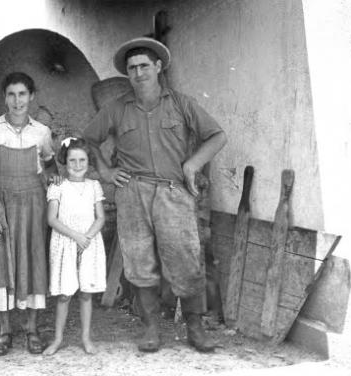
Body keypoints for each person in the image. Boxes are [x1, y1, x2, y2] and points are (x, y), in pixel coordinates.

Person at [84, 37, 227, 353]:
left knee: (186, 259)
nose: (138, 73)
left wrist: (193, 164)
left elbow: (217, 136)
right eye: (132, 68)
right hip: (132, 193)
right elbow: (89, 139)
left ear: (158, 66)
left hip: (173, 193)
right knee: (139, 261)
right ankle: (150, 329)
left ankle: (195, 328)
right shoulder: (117, 108)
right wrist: (107, 172)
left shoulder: (181, 103)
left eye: (144, 66)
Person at [0, 72, 58, 356]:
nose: (17, 101)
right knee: (2, 264)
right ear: (4, 97)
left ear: (31, 97)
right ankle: (4, 332)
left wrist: (53, 182)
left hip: (33, 205)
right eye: (11, 94)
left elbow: (49, 165)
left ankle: (32, 330)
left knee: (33, 260)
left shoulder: (42, 132)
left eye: (22, 94)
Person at [43, 137, 106, 356]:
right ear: (64, 161)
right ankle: (58, 338)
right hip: (65, 242)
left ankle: (86, 338)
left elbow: (100, 218)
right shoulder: (58, 185)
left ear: (88, 162)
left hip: (89, 243)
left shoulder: (93, 186)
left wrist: (86, 238)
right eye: (72, 161)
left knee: (86, 293)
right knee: (64, 294)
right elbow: (52, 219)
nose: (77, 165)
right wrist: (75, 236)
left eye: (82, 160)